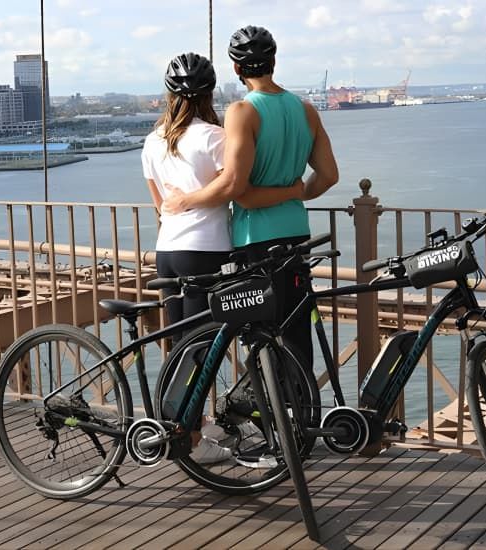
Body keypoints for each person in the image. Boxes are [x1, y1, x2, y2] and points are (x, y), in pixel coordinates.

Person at [141, 51, 304, 464]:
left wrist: (181, 205)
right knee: (203, 347)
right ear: (210, 93)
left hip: (167, 250)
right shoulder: (213, 137)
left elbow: (160, 203)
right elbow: (234, 186)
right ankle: (191, 438)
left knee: (180, 345)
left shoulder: (153, 140)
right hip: (206, 251)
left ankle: (180, 427)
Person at [162, 26, 339, 371]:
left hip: (256, 240)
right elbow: (329, 175)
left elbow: (235, 187)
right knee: (296, 328)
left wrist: (186, 201)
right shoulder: (306, 109)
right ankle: (303, 402)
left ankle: (270, 404)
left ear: (236, 68)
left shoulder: (242, 111)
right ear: (274, 61)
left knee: (263, 333)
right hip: (296, 232)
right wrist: (296, 192)